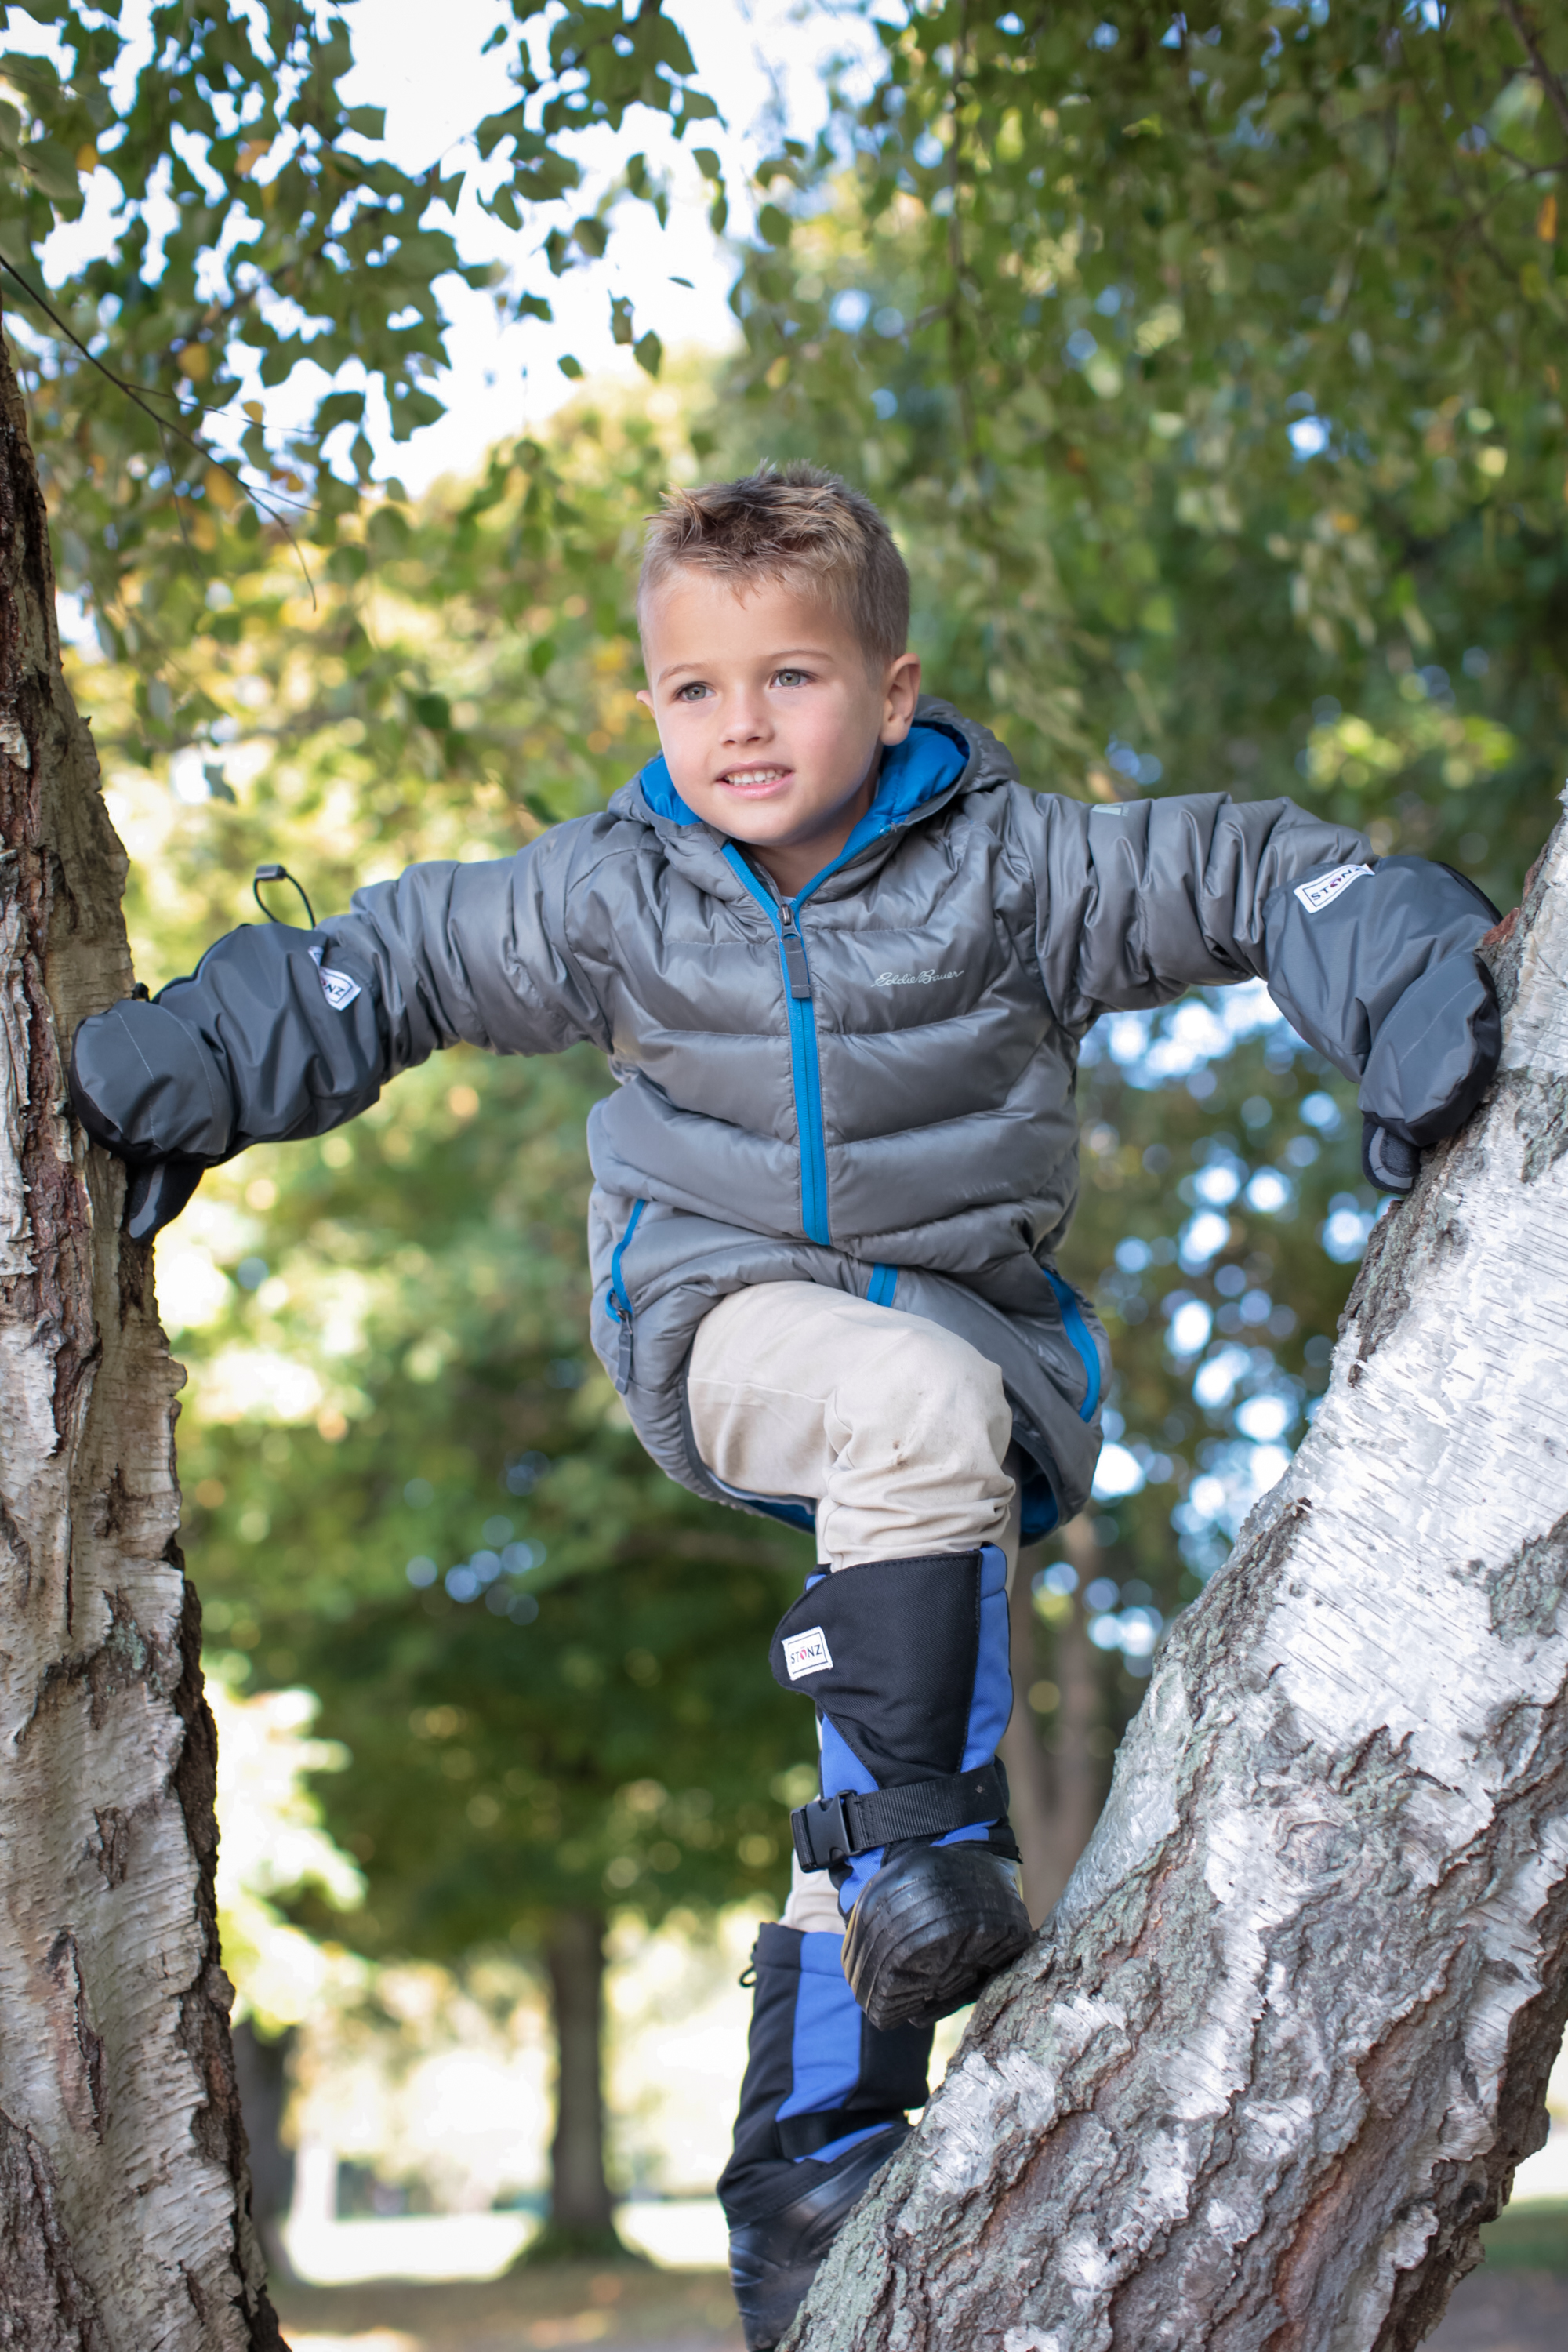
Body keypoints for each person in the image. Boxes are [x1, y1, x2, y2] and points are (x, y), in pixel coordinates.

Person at [69, 463, 1501, 2349]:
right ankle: (918, 1857)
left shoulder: (1016, 875)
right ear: (653, 702)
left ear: (891, 693)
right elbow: (396, 960)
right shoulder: (616, 896)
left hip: (962, 1361)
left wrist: (1404, 974)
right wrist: (188, 1063)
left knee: (909, 1701)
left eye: (792, 678)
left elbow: (1250, 870)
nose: (740, 725)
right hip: (720, 1321)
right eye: (694, 688)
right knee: (914, 1599)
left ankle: (808, 2147)